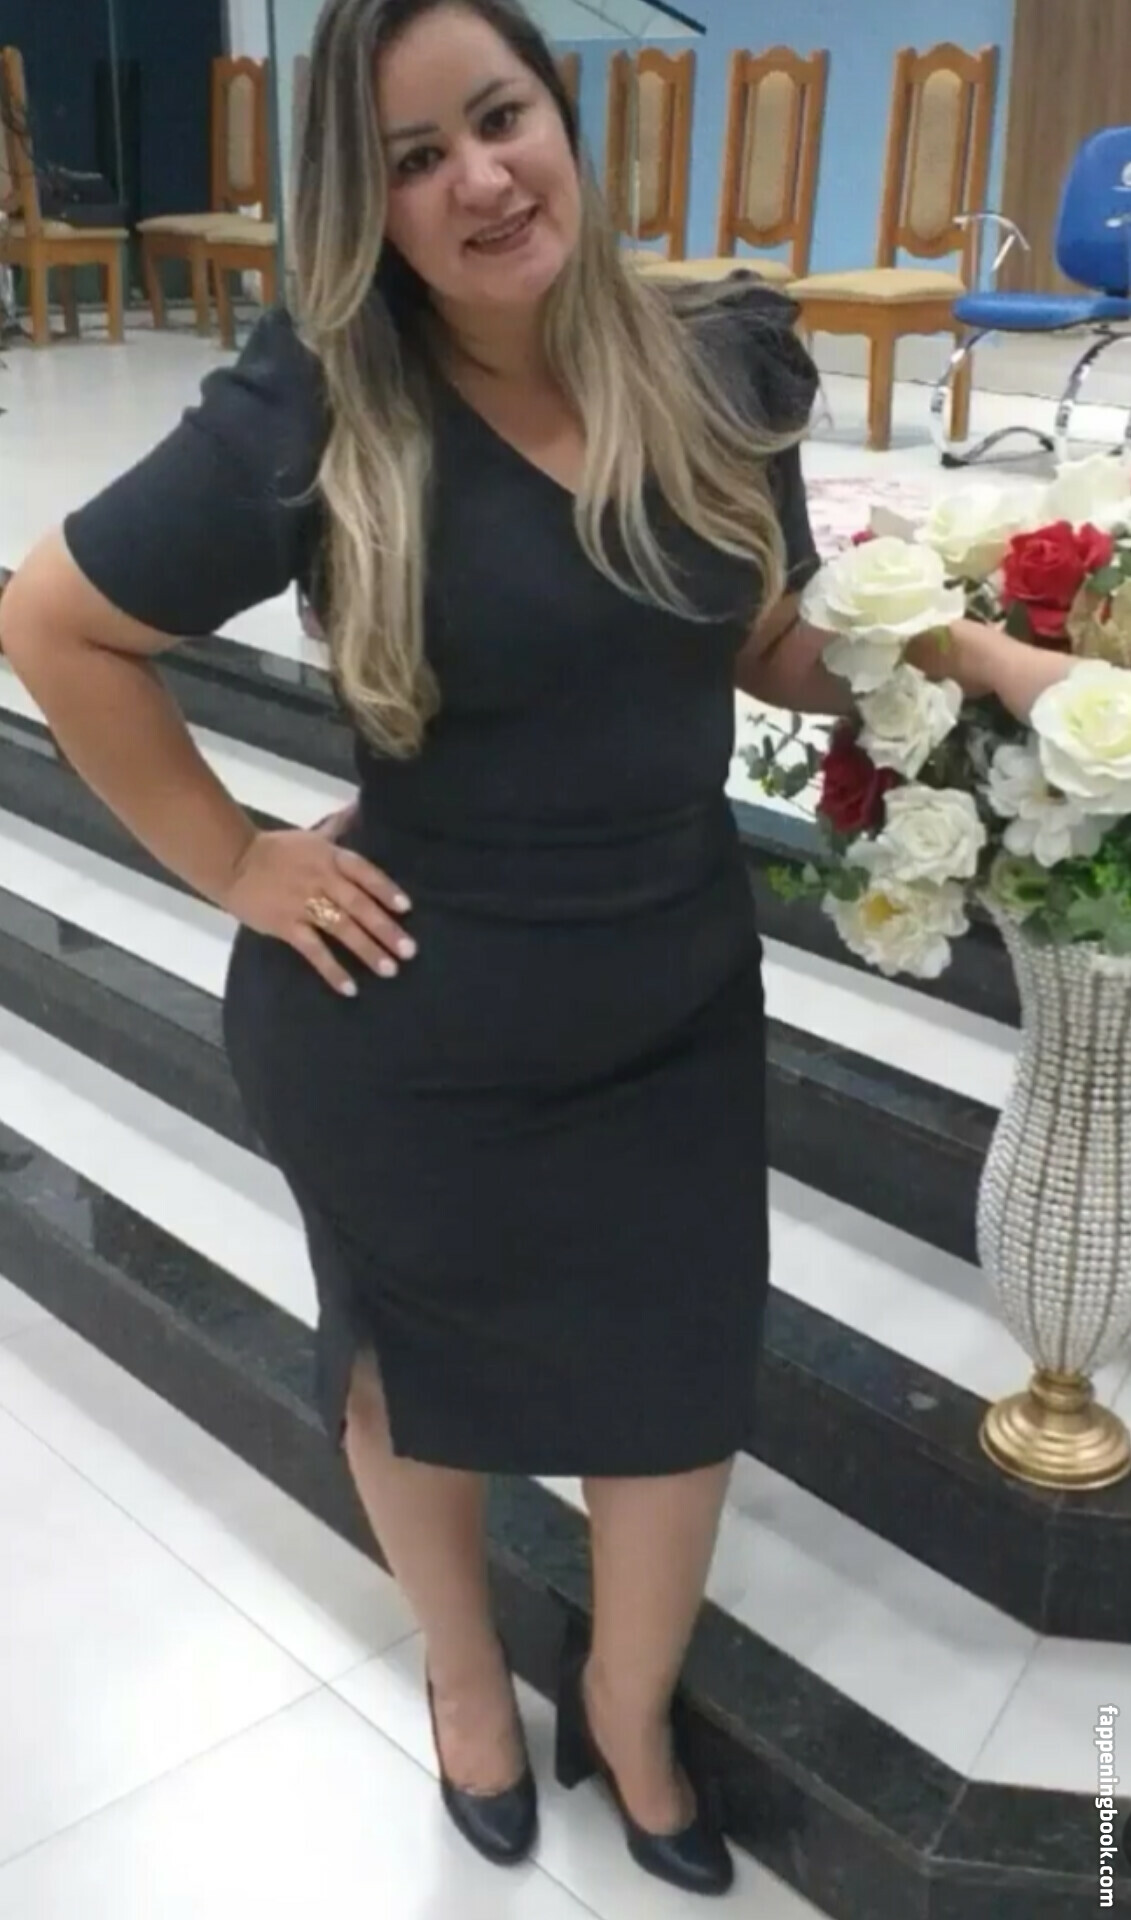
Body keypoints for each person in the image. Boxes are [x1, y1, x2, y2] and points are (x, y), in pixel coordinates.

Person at [0, 0, 1069, 1894]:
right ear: (367, 203)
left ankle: (631, 1708)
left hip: (667, 990)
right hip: (409, 1009)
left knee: (676, 1383)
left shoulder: (713, 364)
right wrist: (233, 858)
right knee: (413, 1382)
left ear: (563, 119)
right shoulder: (323, 401)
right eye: (415, 159)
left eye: (500, 119)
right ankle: (464, 1674)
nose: (481, 180)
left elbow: (758, 637)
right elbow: (55, 622)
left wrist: (979, 659)